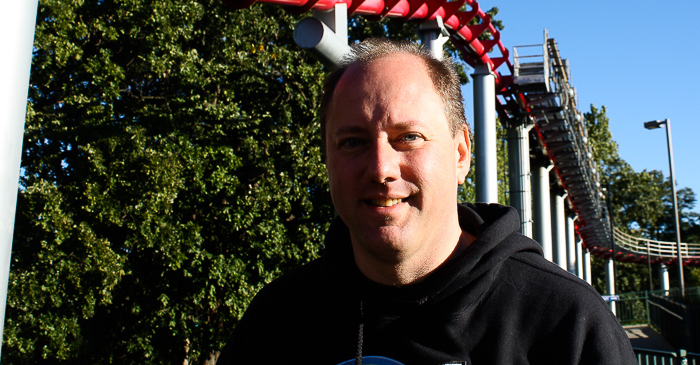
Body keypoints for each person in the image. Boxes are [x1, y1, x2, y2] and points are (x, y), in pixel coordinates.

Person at [217, 38, 636, 365]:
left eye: (409, 138)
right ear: (326, 159)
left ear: (460, 154)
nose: (381, 168)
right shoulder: (277, 321)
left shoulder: (564, 322)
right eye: (352, 142)